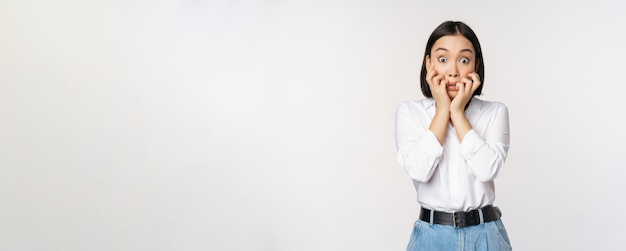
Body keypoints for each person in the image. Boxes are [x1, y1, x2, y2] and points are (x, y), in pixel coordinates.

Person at [395, 20, 512, 250]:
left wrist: (457, 112)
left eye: (464, 60)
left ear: (476, 65)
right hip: (431, 236)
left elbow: (488, 169)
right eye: (442, 59)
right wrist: (442, 110)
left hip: (486, 235)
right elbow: (419, 171)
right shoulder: (410, 112)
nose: (453, 71)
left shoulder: (495, 111)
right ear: (428, 63)